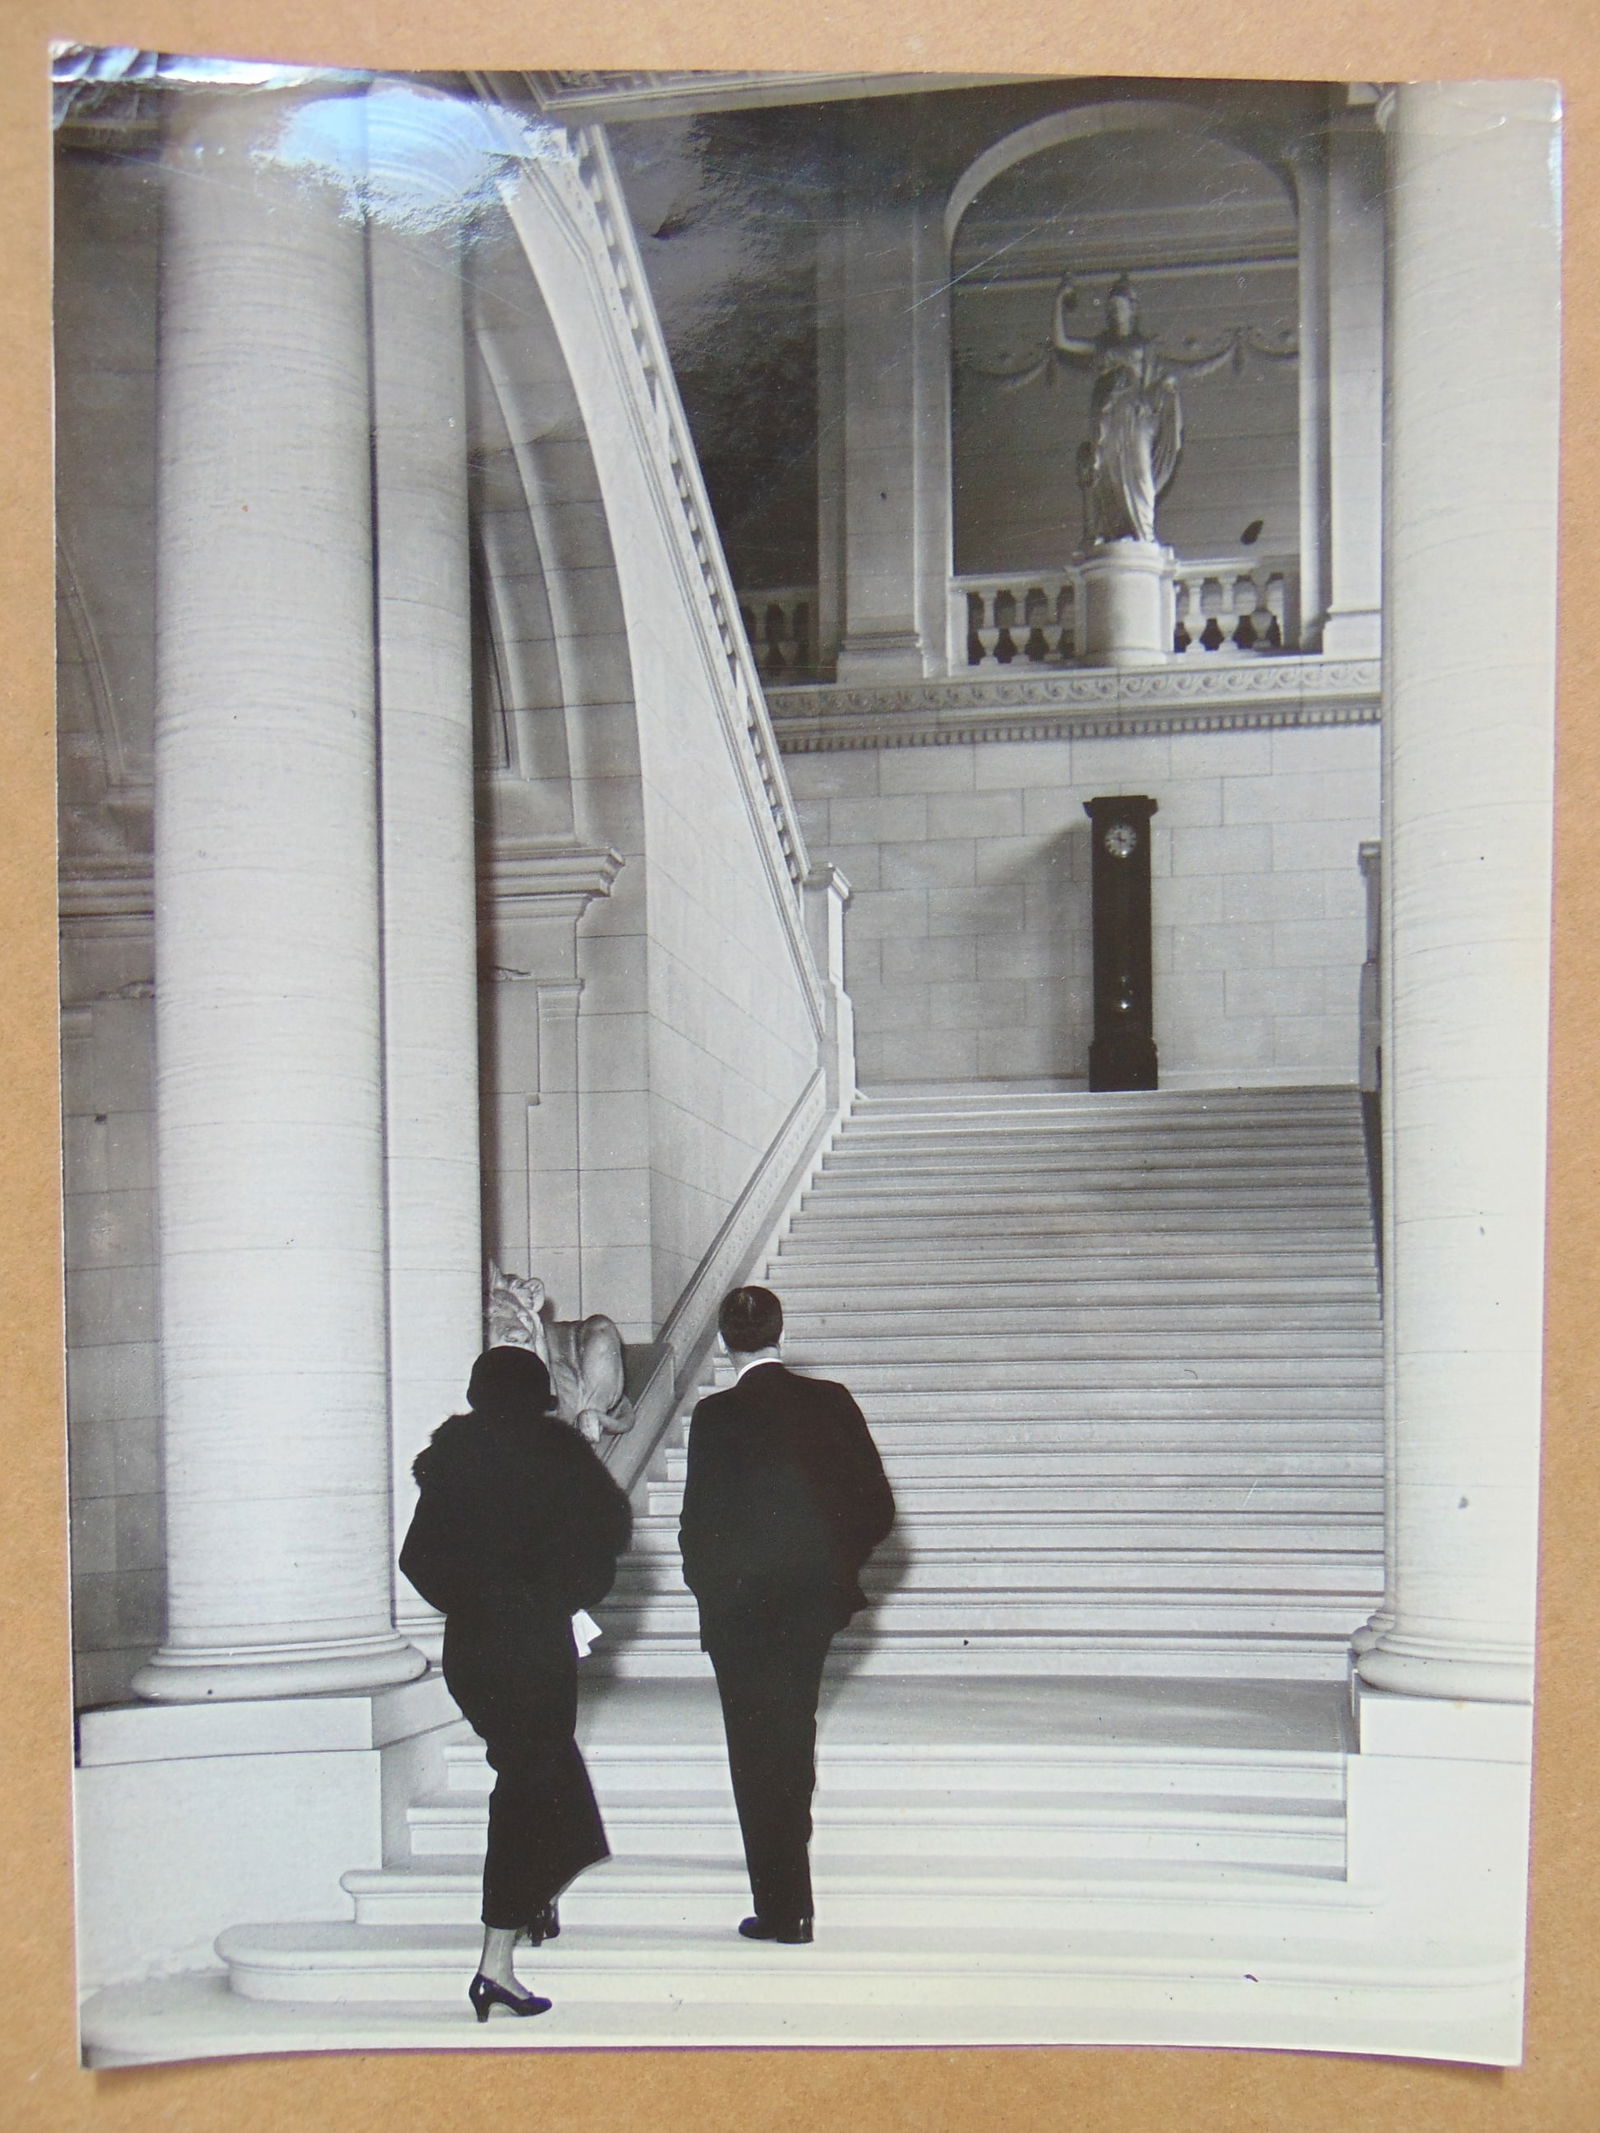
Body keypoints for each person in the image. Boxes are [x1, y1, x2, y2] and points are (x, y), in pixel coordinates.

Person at [400, 1344, 632, 2021]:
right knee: (530, 1786)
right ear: (541, 1395)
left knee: (538, 1773)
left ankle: (536, 1896)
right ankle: (494, 1963)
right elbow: (608, 1536)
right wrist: (556, 1594)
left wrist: (476, 1599)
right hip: (535, 1645)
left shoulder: (451, 1457)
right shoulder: (556, 1451)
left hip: (473, 1650)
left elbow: (417, 1559)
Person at [678, 1286, 895, 1945]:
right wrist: (832, 1571)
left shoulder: (715, 1416)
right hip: (807, 1608)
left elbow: (696, 1527)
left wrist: (714, 1592)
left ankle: (780, 1905)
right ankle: (793, 1904)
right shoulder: (831, 1401)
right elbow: (878, 1508)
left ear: (723, 1341)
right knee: (793, 1737)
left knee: (754, 1750)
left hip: (740, 1613)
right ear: (780, 1330)